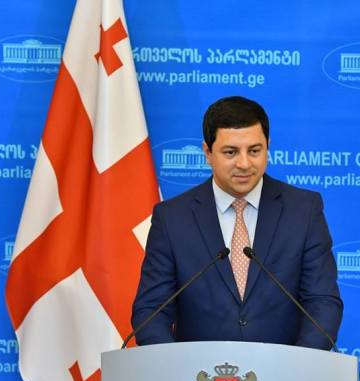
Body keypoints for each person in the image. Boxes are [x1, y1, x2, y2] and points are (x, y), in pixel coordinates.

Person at [131, 96, 342, 350]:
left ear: (268, 146)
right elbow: (151, 311)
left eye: (254, 151)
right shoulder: (172, 218)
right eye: (231, 152)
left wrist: (299, 365)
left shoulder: (303, 211)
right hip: (198, 373)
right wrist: (174, 366)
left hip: (284, 369)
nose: (244, 164)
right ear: (207, 152)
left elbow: (322, 302)